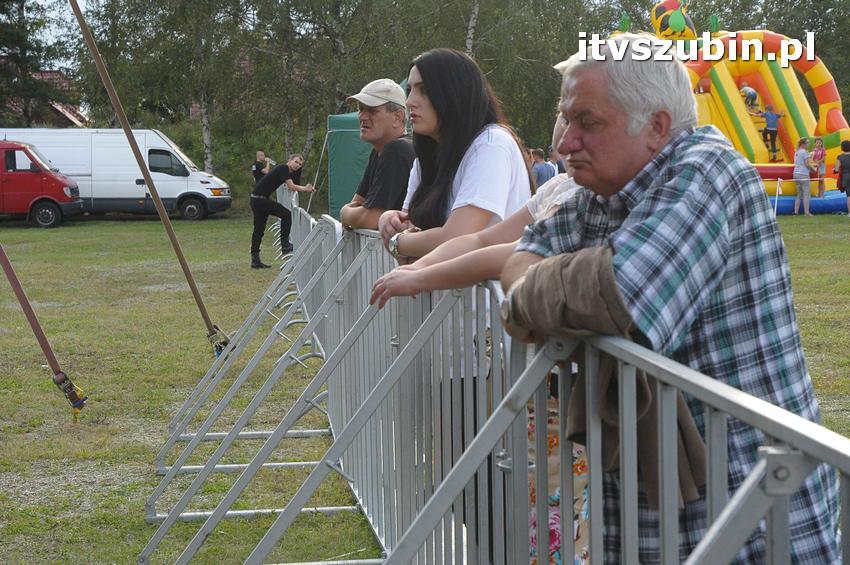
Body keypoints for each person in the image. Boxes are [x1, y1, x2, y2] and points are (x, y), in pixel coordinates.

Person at [499, 33, 839, 563]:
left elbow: (618, 297)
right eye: (567, 121)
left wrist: (537, 294)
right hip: (661, 519)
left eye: (587, 123)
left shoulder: (709, 170)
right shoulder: (602, 192)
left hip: (754, 517)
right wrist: (544, 288)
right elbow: (521, 258)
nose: (565, 143)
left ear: (656, 126)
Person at [377, 48, 532, 264]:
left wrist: (396, 242)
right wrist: (388, 219)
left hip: (488, 296)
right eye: (410, 89)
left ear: (454, 93)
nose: (410, 101)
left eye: (424, 90)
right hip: (445, 295)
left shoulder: (491, 144)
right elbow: (408, 225)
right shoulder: (427, 156)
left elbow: (456, 238)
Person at [339, 79, 416, 230]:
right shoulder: (380, 151)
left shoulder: (397, 150)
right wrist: (355, 214)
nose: (362, 117)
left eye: (372, 111)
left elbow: (369, 219)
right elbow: (358, 203)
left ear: (397, 117)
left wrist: (344, 212)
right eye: (361, 109)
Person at [249, 154, 315, 268]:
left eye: (300, 164)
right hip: (259, 200)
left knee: (259, 230)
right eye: (296, 162)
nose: (297, 165)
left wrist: (303, 181)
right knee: (286, 214)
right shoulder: (283, 168)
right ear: (289, 160)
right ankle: (285, 244)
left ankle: (255, 260)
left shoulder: (287, 171)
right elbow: (291, 186)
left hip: (258, 199)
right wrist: (306, 189)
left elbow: (295, 183)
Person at [793, 137, 815, 216]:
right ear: (803, 144)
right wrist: (813, 170)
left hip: (795, 173)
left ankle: (796, 211)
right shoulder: (804, 152)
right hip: (803, 174)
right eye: (807, 143)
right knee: (806, 193)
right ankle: (807, 212)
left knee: (799, 194)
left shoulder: (796, 152)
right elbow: (807, 164)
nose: (808, 144)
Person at [833, 139, 850, 217]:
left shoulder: (840, 156)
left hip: (846, 176)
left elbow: (836, 169)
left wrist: (835, 170)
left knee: (849, 195)